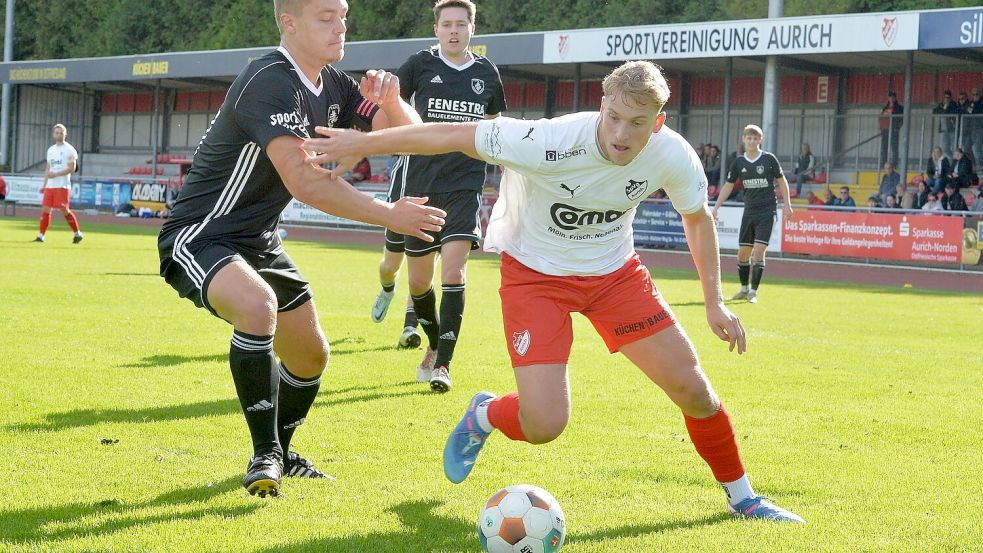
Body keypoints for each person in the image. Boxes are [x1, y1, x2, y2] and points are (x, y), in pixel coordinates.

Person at [302, 61, 806, 523]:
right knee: (544, 424)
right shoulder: (547, 140)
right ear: (602, 106)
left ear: (658, 121)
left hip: (615, 277)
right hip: (535, 277)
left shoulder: (671, 154)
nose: (621, 133)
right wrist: (360, 144)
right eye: (614, 117)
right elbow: (451, 134)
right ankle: (485, 413)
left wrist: (714, 301)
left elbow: (696, 219)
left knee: (695, 392)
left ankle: (744, 498)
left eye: (638, 123)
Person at [156, 0, 446, 498]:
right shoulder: (268, 78)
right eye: (326, 17)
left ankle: (284, 454)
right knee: (257, 305)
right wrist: (389, 213)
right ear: (289, 23)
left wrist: (392, 100)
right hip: (200, 233)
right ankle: (264, 455)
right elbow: (306, 183)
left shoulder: (331, 85)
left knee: (311, 356)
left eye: (343, 15)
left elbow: (406, 139)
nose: (341, 26)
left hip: (258, 242)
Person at [370, 0, 506, 392]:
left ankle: (443, 364)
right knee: (419, 283)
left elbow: (494, 130)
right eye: (446, 24)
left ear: (472, 30)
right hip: (419, 187)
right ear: (436, 29)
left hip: (464, 186)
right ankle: (431, 345)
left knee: (453, 273)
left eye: (460, 25)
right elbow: (390, 111)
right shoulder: (418, 66)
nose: (453, 31)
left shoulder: (486, 73)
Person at [711, 124, 793, 304]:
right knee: (742, 254)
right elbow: (728, 185)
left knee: (758, 251)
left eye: (755, 138)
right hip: (749, 212)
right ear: (744, 139)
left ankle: (753, 292)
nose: (752, 141)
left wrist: (787, 204)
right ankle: (743, 289)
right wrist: (716, 207)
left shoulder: (769, 159)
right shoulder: (739, 162)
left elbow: (782, 180)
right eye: (749, 138)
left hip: (767, 211)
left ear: (760, 140)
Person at [35, 124, 82, 244]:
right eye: (57, 133)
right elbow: (48, 168)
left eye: (61, 133)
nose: (59, 135)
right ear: (53, 134)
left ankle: (77, 233)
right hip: (50, 186)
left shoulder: (69, 149)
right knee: (45, 209)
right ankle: (41, 235)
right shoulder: (50, 150)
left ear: (65, 134)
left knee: (63, 210)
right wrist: (44, 184)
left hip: (62, 185)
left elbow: (72, 168)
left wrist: (56, 174)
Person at [932, 90, 959, 158]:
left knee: (954, 147)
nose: (947, 99)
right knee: (945, 148)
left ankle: (955, 161)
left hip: (952, 129)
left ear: (950, 98)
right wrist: (943, 109)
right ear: (943, 98)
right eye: (945, 97)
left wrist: (946, 107)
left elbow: (951, 113)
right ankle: (953, 159)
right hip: (945, 130)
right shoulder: (941, 104)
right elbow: (934, 111)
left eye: (948, 97)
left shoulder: (953, 104)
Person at [879, 91, 903, 166]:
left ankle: (894, 163)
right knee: (884, 147)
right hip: (885, 129)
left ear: (895, 98)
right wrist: (881, 127)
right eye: (890, 97)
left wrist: (897, 127)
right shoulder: (885, 107)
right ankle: (883, 163)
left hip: (893, 129)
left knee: (894, 147)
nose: (891, 98)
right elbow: (880, 117)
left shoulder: (899, 108)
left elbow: (901, 119)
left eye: (892, 97)